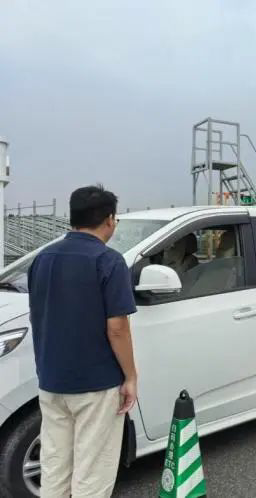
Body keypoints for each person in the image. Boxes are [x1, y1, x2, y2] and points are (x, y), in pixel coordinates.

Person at [28, 185, 138, 497]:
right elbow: (117, 328)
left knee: (55, 467)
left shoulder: (42, 258)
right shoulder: (108, 261)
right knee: (93, 473)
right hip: (96, 385)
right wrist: (130, 376)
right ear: (109, 220)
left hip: (51, 382)